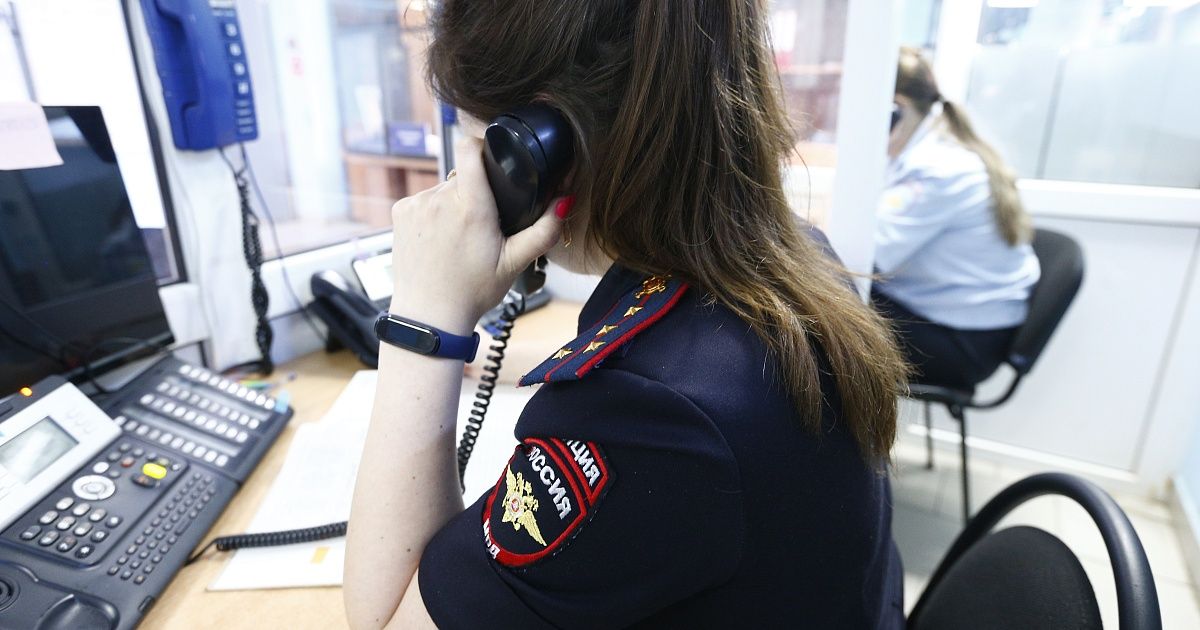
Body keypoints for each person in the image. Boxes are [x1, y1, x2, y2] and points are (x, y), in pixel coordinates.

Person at [343, 2, 909, 628]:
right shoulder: (789, 257)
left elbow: (382, 619)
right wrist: (487, 361)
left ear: (537, 149)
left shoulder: (653, 416)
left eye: (478, 149)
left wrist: (424, 317)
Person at [873, 47, 1041, 391]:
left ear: (895, 109)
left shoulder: (938, 169)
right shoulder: (931, 150)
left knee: (820, 320)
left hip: (964, 342)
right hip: (952, 319)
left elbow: (870, 254)